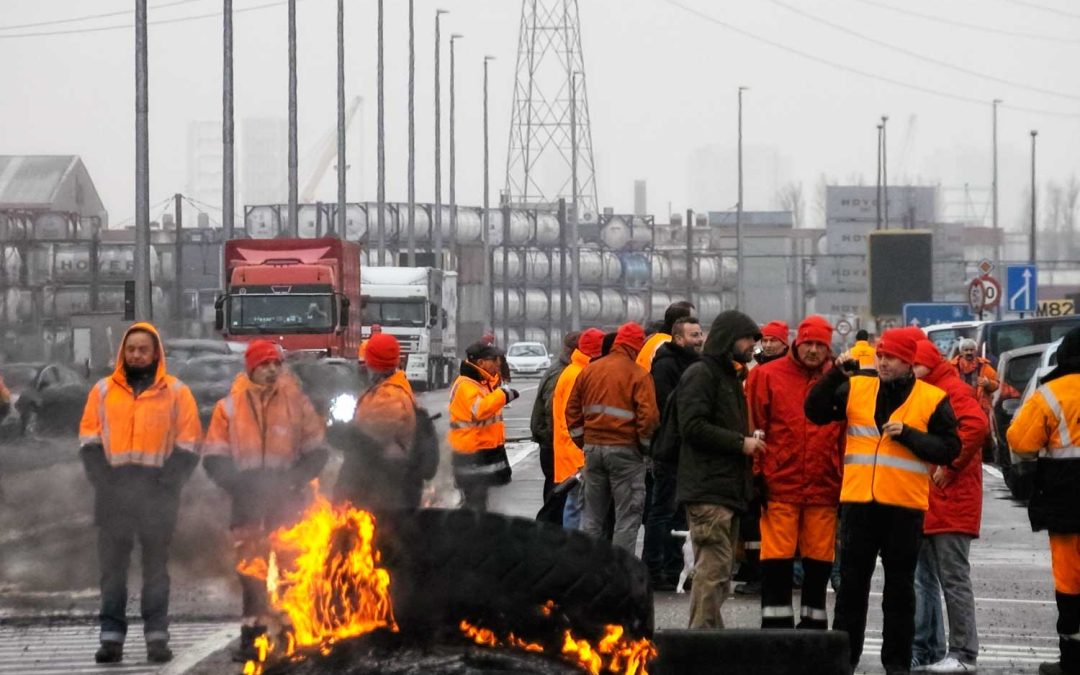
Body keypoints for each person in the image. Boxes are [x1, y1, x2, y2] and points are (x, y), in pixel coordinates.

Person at [805, 327, 960, 675]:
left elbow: (951, 448)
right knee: (851, 587)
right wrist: (833, 376)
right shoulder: (857, 386)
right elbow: (814, 411)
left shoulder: (932, 398)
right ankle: (845, 659)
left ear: (909, 362)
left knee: (900, 591)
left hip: (904, 507)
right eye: (881, 355)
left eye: (892, 357)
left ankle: (896, 663)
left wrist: (909, 436)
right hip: (859, 504)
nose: (884, 362)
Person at [78, 323, 202, 664]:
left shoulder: (177, 393)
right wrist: (105, 481)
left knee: (156, 570)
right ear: (123, 352)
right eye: (131, 349)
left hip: (158, 496)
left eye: (142, 349)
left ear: (155, 353)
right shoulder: (102, 391)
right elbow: (89, 441)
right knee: (113, 572)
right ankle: (111, 638)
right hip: (113, 495)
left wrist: (166, 485)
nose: (136, 354)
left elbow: (189, 444)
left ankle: (157, 637)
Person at [202, 340, 328, 660]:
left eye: (276, 363)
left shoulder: (296, 403)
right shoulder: (228, 407)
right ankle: (252, 638)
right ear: (251, 368)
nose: (272, 369)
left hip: (286, 501)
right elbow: (214, 457)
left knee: (289, 569)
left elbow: (317, 451)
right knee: (251, 572)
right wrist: (237, 485)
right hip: (246, 502)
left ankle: (290, 635)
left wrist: (294, 481)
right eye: (264, 364)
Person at [747, 316, 843, 630]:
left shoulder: (840, 380)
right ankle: (776, 629)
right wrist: (756, 475)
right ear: (797, 343)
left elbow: (845, 434)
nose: (813, 350)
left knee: (819, 559)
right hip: (779, 482)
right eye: (809, 343)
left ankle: (814, 627)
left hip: (825, 484)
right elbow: (755, 425)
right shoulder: (767, 376)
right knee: (776, 558)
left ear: (828, 347)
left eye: (820, 345)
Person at [676, 311, 763, 629]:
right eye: (747, 338)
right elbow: (692, 426)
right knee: (714, 571)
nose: (753, 345)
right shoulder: (703, 375)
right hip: (708, 489)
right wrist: (740, 443)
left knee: (718, 573)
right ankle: (700, 646)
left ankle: (704, 641)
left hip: (724, 489)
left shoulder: (728, 376)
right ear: (729, 339)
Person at [909, 339, 987, 673]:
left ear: (926, 363)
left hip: (950, 501)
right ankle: (932, 648)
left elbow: (977, 426)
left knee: (951, 581)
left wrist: (949, 467)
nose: (909, 371)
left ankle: (963, 653)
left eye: (913, 365)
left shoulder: (950, 390)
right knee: (926, 580)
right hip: (932, 501)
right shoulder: (933, 387)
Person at [1007, 326, 1080, 675]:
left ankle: (1072, 661)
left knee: (1069, 583)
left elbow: (1020, 441)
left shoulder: (1051, 394)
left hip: (1066, 503)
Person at [566, 322, 659, 553]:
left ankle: (590, 571)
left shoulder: (590, 370)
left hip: (593, 451)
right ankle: (620, 574)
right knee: (626, 517)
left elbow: (572, 412)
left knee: (593, 517)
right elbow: (649, 418)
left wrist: (584, 441)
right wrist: (645, 449)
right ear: (636, 346)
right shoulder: (638, 374)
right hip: (626, 453)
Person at [335, 333, 437, 511]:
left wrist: (338, 433)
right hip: (387, 489)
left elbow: (368, 443)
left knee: (386, 538)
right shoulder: (389, 388)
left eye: (365, 360)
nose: (363, 365)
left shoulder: (388, 396)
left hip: (387, 492)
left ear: (374, 363)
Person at [644, 316, 704, 590]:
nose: (699, 339)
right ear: (678, 338)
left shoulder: (694, 365)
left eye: (700, 333)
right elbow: (666, 407)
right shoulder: (666, 365)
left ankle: (674, 568)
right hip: (669, 450)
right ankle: (654, 569)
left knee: (679, 514)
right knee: (662, 511)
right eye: (693, 335)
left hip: (687, 451)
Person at [449, 341, 518, 511]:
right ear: (481, 363)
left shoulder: (480, 382)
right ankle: (469, 534)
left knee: (479, 501)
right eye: (494, 360)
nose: (498, 363)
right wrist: (502, 395)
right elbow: (479, 410)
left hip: (482, 451)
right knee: (475, 503)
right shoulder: (466, 385)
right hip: (471, 454)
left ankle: (475, 532)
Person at [551, 328, 605, 529]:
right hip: (575, 454)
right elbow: (571, 420)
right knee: (577, 506)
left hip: (572, 451)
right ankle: (574, 552)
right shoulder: (577, 374)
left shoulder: (576, 370)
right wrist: (581, 457)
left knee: (576, 505)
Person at [531, 332, 581, 500]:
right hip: (553, 443)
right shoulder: (564, 373)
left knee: (556, 490)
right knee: (558, 493)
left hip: (550, 440)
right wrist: (558, 441)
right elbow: (553, 411)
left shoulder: (558, 369)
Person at [636, 301, 696, 370]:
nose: (696, 325)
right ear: (679, 323)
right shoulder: (670, 346)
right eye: (692, 321)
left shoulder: (656, 339)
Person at [950, 338, 998, 416]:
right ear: (961, 352)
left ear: (976, 351)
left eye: (972, 350)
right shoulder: (952, 367)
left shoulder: (983, 366)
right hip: (959, 409)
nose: (969, 352)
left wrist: (988, 383)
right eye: (966, 350)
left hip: (981, 410)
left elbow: (996, 385)